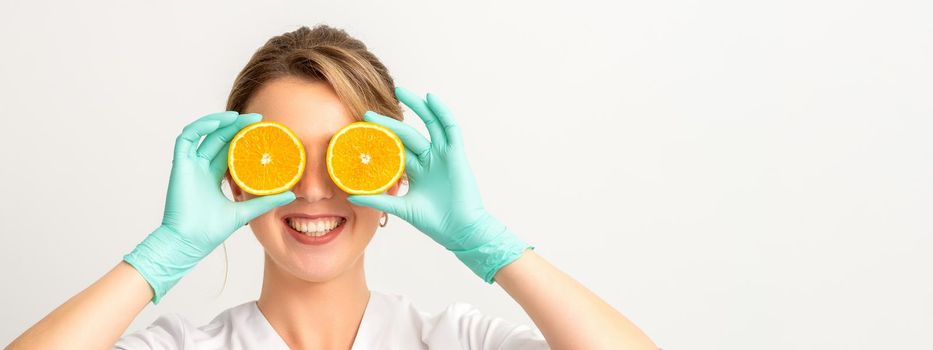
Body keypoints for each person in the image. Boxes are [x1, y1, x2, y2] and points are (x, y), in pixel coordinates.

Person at [6, 25, 658, 350]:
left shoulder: (454, 341)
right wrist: (163, 253)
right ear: (233, 176)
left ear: (395, 177)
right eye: (282, 158)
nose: (313, 191)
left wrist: (484, 241)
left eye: (345, 158)